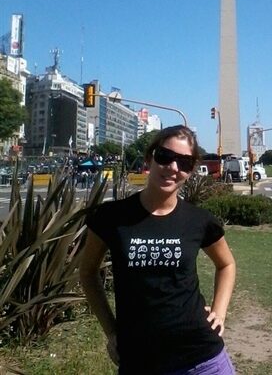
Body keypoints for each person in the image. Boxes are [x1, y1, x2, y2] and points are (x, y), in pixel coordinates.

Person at [80, 125, 236, 374]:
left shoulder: (199, 220)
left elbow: (226, 264)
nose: (174, 168)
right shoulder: (111, 217)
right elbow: (87, 273)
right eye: (165, 157)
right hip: (139, 360)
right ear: (149, 158)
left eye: (184, 163)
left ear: (191, 171)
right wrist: (111, 331)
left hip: (202, 359)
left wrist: (219, 311)